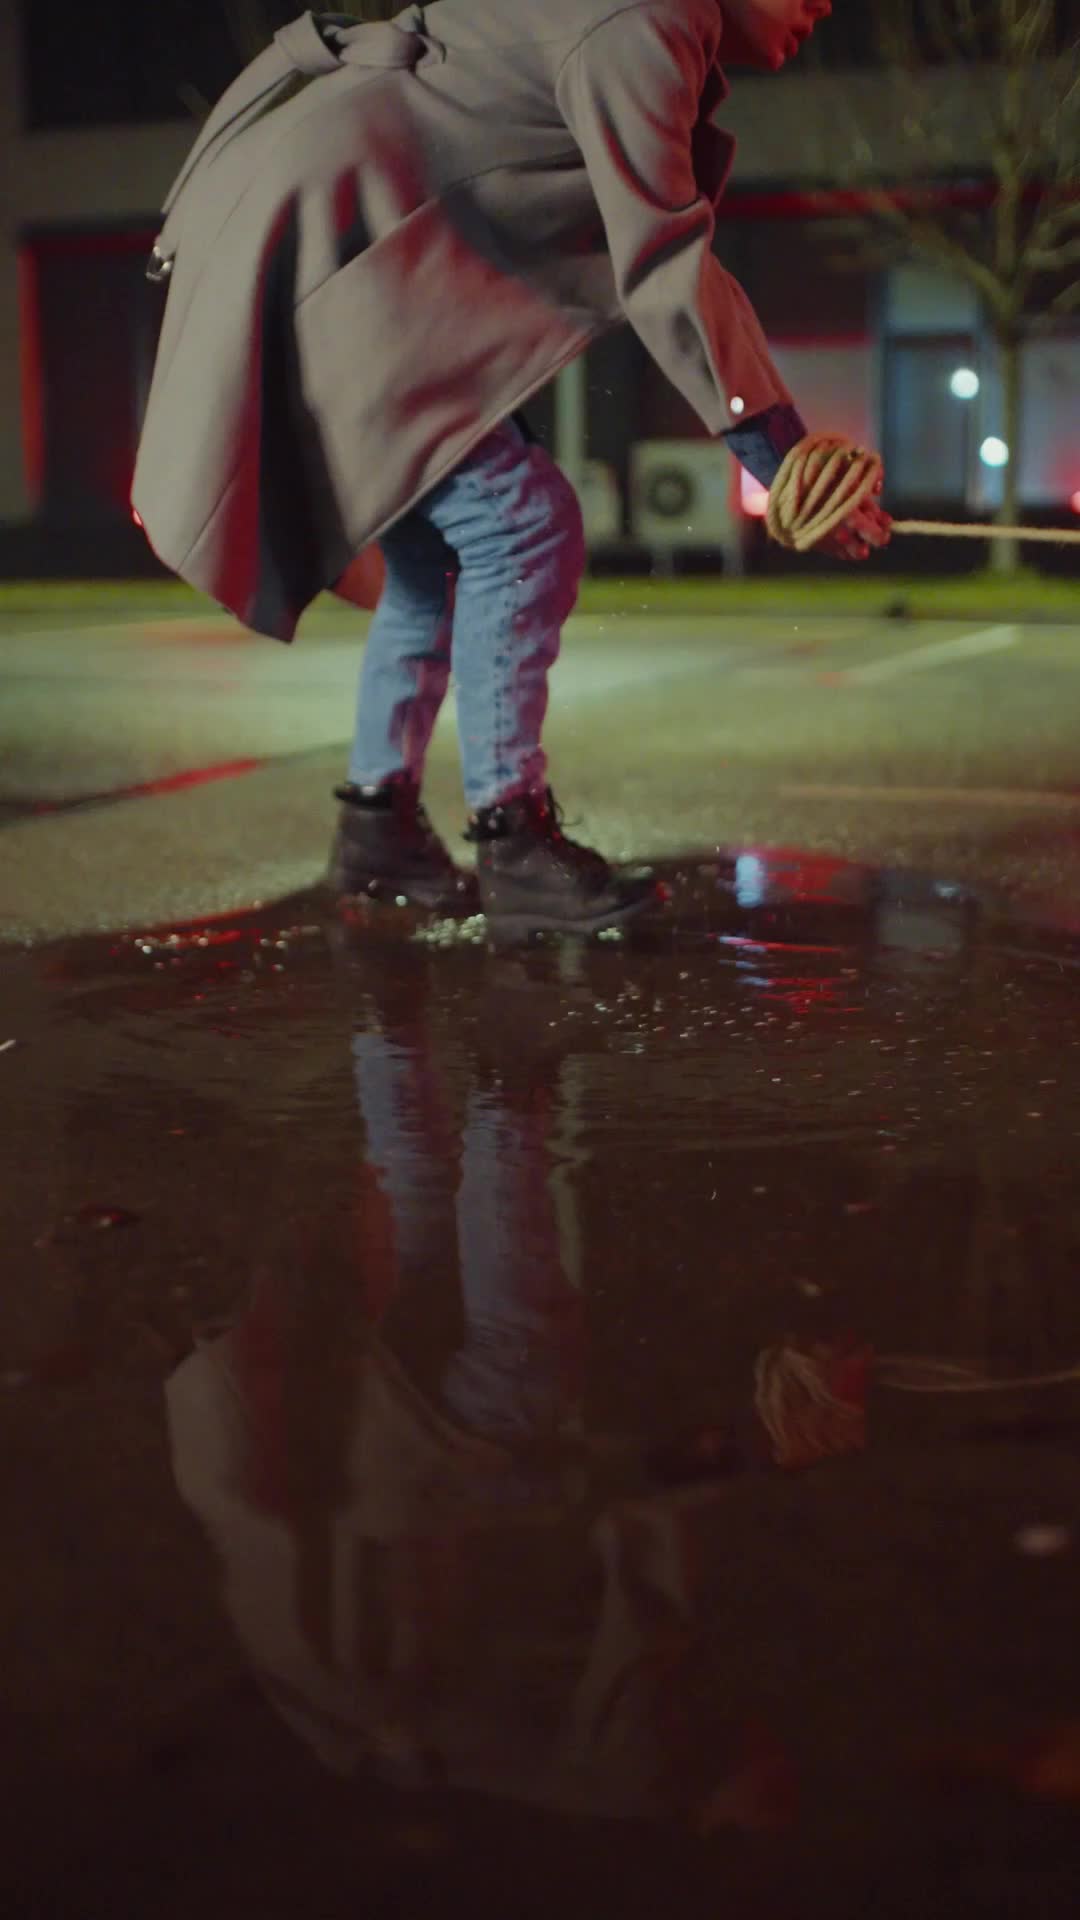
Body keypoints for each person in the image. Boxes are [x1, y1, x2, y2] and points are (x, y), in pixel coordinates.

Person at [133, 0, 891, 934]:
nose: (824, 4)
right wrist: (781, 454)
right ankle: (513, 840)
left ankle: (376, 825)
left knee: (436, 561)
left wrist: (781, 455)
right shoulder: (644, 21)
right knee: (521, 523)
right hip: (342, 244)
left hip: (353, 237)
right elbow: (663, 263)